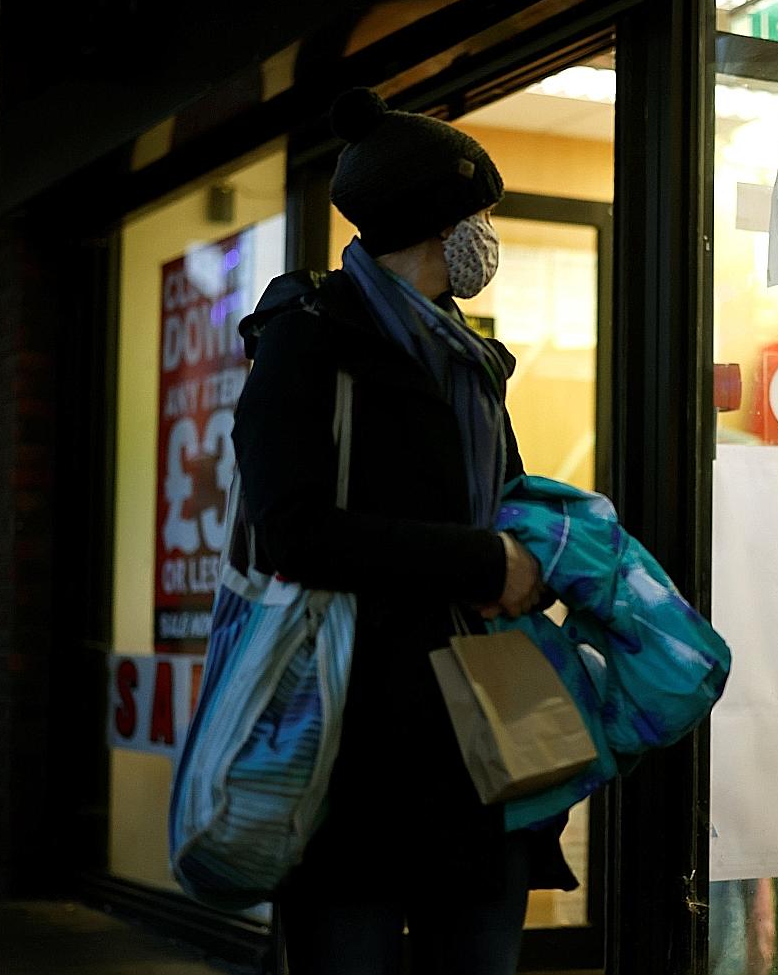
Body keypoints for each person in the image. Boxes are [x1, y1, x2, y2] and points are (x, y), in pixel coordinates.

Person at [230, 87, 573, 975]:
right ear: (434, 220)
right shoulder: (306, 339)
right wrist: (478, 559)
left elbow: (502, 498)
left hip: (477, 742)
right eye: (479, 211)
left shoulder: (470, 357)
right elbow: (291, 532)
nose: (486, 234)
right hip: (352, 742)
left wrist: (557, 547)